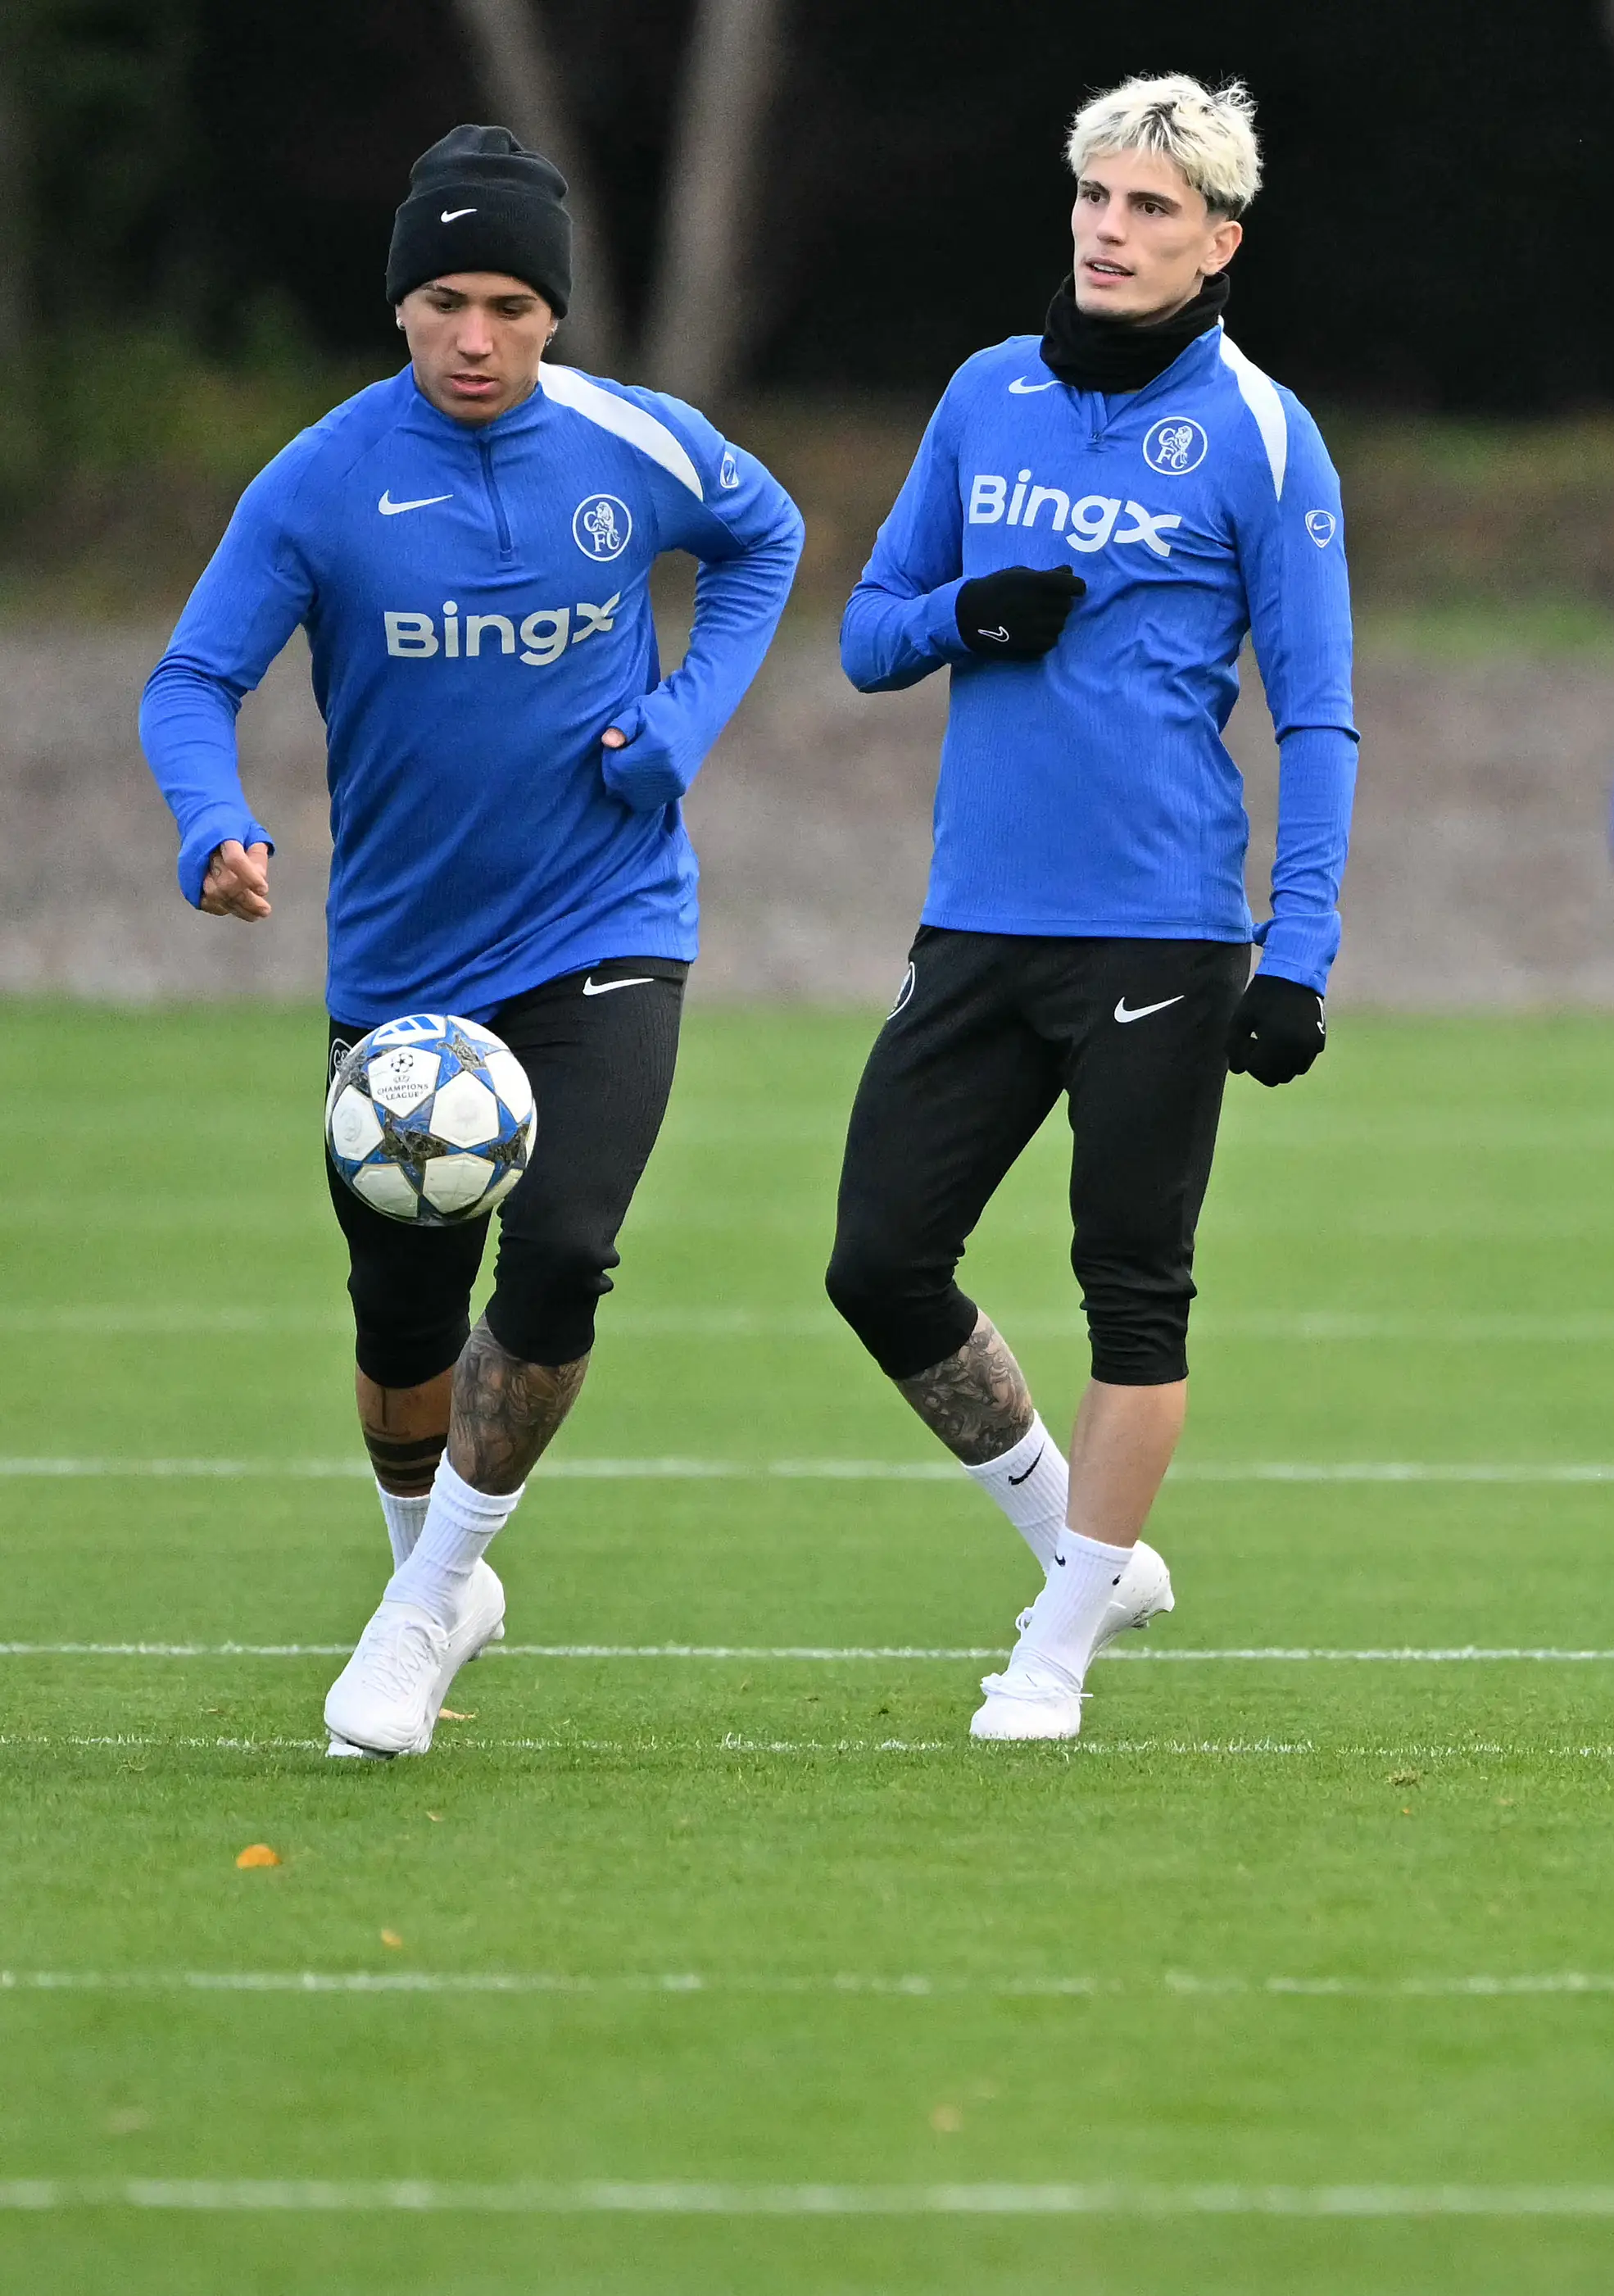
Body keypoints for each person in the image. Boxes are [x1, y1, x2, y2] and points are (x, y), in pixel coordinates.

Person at [138, 125, 805, 1758]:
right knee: (400, 1325)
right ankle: (423, 1571)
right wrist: (208, 825)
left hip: (608, 920)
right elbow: (189, 682)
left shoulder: (633, 442)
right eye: (447, 299)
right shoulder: (319, 479)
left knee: (567, 1246)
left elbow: (764, 536)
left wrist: (682, 723)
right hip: (401, 970)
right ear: (402, 306)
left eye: (513, 302)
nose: (480, 338)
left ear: (558, 312)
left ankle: (430, 1601)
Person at [824, 74, 1357, 1742]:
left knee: (1134, 1286)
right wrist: (971, 614)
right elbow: (865, 635)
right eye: (1094, 199)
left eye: (1149, 209)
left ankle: (1053, 1649)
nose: (1110, 231)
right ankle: (1084, 1544)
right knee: (878, 1264)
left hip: (1165, 928)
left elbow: (1318, 712)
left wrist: (1301, 951)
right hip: (980, 915)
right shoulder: (986, 395)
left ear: (1219, 244)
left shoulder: (1266, 435)